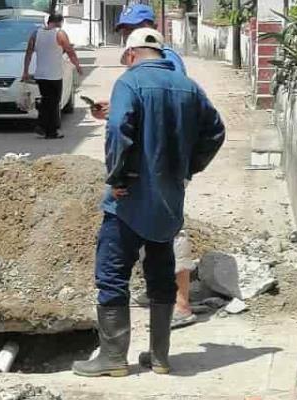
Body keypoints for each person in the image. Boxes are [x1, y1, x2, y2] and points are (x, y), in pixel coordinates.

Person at [72, 28, 225, 377]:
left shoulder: (128, 83)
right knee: (160, 276)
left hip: (128, 201)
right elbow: (215, 132)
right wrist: (188, 168)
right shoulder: (189, 87)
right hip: (168, 200)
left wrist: (118, 177)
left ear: (130, 54)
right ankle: (159, 357)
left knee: (112, 274)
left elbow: (119, 131)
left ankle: (112, 358)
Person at [91, 4, 195, 329]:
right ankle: (162, 349)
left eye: (129, 29)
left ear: (147, 28)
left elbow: (141, 118)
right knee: (162, 238)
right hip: (167, 167)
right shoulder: (167, 67)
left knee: (115, 263)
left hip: (146, 170)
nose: (123, 34)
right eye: (122, 28)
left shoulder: (160, 64)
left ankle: (180, 304)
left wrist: (118, 174)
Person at [22, 13, 83, 139]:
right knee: (53, 102)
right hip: (54, 75)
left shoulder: (36, 33)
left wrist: (26, 71)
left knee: (46, 100)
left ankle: (43, 126)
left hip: (41, 74)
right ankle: (50, 131)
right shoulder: (60, 33)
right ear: (60, 22)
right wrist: (77, 65)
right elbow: (70, 51)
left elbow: (28, 52)